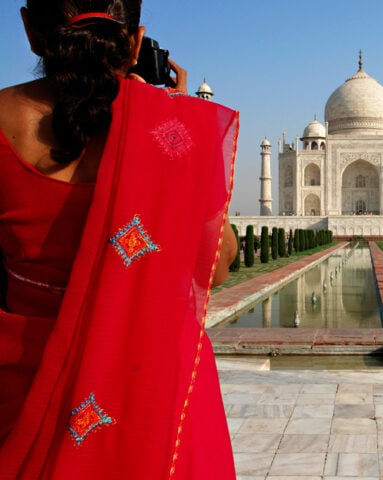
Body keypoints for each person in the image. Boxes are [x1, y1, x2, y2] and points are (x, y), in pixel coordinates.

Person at [0, 1, 238, 478]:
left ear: (29, 29)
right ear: (135, 41)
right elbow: (214, 267)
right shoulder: (176, 131)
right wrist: (178, 128)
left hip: (23, 376)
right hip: (148, 385)